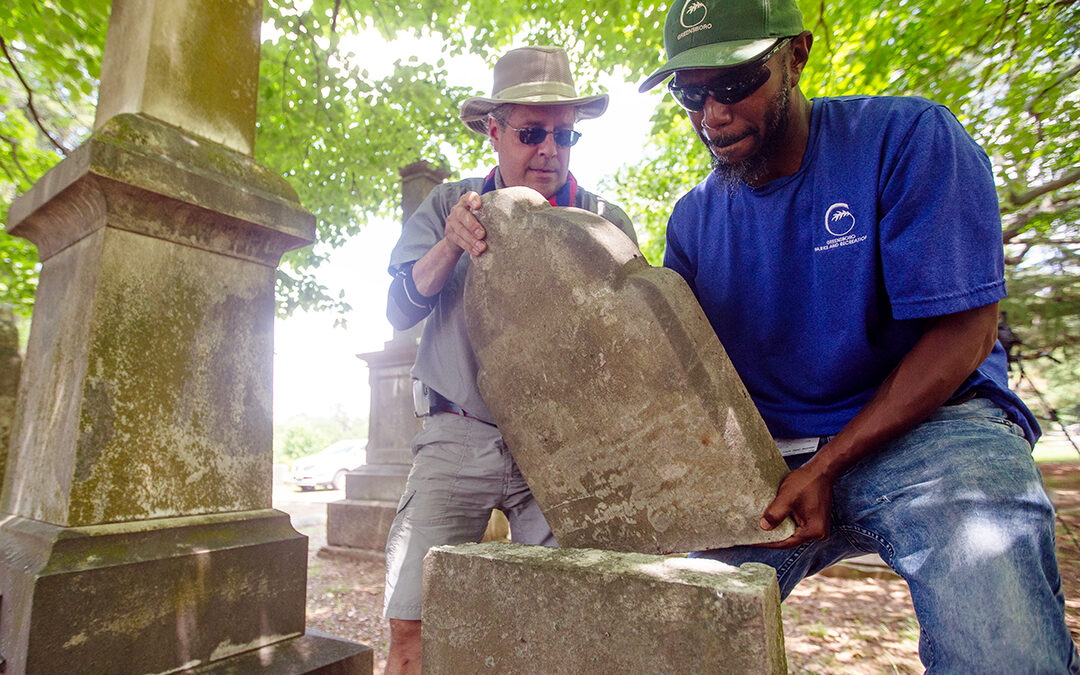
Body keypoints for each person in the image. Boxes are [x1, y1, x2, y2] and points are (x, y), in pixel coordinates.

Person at [640, 0, 1079, 672]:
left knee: (1005, 648)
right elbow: (683, 379)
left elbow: (965, 331)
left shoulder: (907, 138)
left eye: (732, 84)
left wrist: (828, 463)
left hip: (935, 432)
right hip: (771, 466)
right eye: (689, 93)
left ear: (797, 54)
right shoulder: (693, 221)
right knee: (668, 640)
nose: (712, 115)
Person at [383, 45, 637, 674]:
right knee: (411, 622)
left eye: (564, 135)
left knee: (572, 615)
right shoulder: (449, 204)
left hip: (561, 444)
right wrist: (450, 248)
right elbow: (398, 309)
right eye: (530, 132)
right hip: (455, 433)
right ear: (494, 132)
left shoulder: (603, 219)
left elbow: (626, 350)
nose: (549, 149)